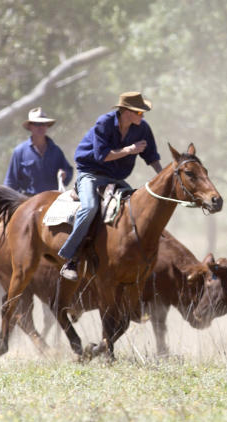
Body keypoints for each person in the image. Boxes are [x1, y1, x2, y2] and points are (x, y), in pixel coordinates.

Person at [58, 91, 163, 281]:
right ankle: (70, 258)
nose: (143, 116)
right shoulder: (104, 123)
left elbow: (152, 156)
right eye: (140, 112)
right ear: (126, 111)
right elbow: (102, 156)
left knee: (136, 209)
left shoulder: (142, 128)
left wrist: (163, 177)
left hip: (115, 178)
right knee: (90, 208)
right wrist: (129, 150)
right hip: (91, 173)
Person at [4, 107, 74, 195]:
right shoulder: (20, 152)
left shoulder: (56, 151)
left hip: (52, 201)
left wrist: (65, 174)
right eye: (36, 124)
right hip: (29, 201)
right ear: (30, 127)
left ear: (47, 126)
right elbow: (11, 182)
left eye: (43, 124)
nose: (40, 127)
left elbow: (68, 171)